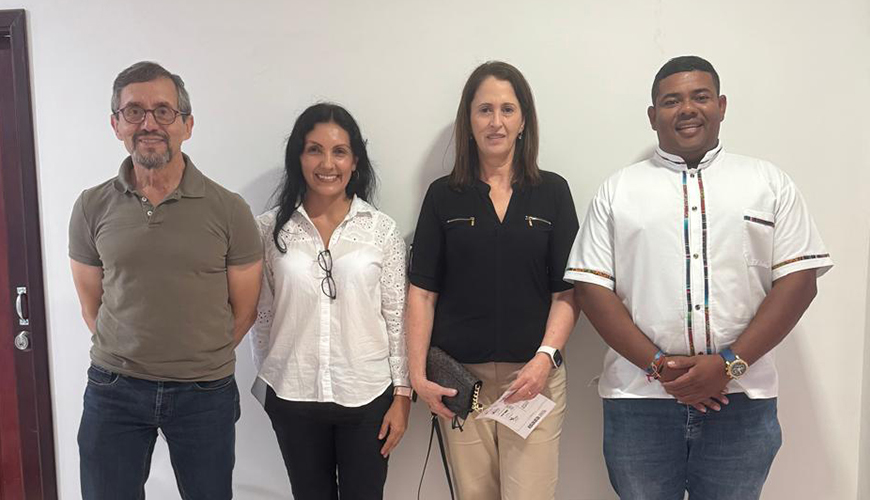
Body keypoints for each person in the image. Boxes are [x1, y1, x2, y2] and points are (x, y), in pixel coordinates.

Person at [565, 55, 833, 500]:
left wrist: (729, 365)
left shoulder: (768, 183)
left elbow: (799, 281)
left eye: (700, 97)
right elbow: (591, 288)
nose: (687, 109)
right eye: (672, 101)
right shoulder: (618, 191)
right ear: (652, 115)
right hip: (639, 402)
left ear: (721, 106)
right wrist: (659, 367)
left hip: (742, 399)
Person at [69, 61, 263, 500]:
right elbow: (90, 303)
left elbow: (246, 308)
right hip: (114, 389)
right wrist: (131, 353)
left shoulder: (229, 209)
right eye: (134, 111)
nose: (149, 123)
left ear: (187, 125)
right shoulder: (90, 206)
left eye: (163, 111)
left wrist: (198, 357)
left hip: (204, 392)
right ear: (116, 124)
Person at [407, 61, 580, 500]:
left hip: (534, 378)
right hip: (461, 380)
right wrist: (417, 375)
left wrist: (544, 360)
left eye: (507, 109)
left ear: (523, 120)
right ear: (469, 120)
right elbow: (422, 293)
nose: (496, 122)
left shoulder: (553, 192)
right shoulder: (443, 195)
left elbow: (567, 292)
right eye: (484, 109)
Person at [250, 103, 411, 500]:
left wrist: (403, 395)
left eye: (339, 151)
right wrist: (268, 381)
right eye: (314, 150)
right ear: (298, 157)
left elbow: (397, 317)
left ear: (355, 161)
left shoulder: (381, 231)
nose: (327, 163)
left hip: (368, 396)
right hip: (293, 394)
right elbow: (263, 314)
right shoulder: (269, 230)